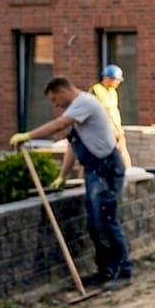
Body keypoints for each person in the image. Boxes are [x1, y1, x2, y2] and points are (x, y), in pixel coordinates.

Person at [10, 77, 133, 291]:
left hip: (107, 169)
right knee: (95, 225)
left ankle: (123, 271)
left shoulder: (85, 102)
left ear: (64, 90)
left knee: (106, 221)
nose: (55, 105)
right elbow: (73, 145)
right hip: (95, 170)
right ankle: (105, 272)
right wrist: (63, 176)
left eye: (55, 99)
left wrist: (28, 135)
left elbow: (59, 124)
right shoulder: (77, 111)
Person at [91, 64, 133, 169]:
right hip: (102, 130)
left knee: (123, 151)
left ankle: (129, 174)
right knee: (96, 156)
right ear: (108, 78)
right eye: (116, 80)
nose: (118, 82)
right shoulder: (96, 90)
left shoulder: (113, 92)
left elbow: (114, 111)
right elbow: (98, 112)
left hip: (115, 129)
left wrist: (119, 128)